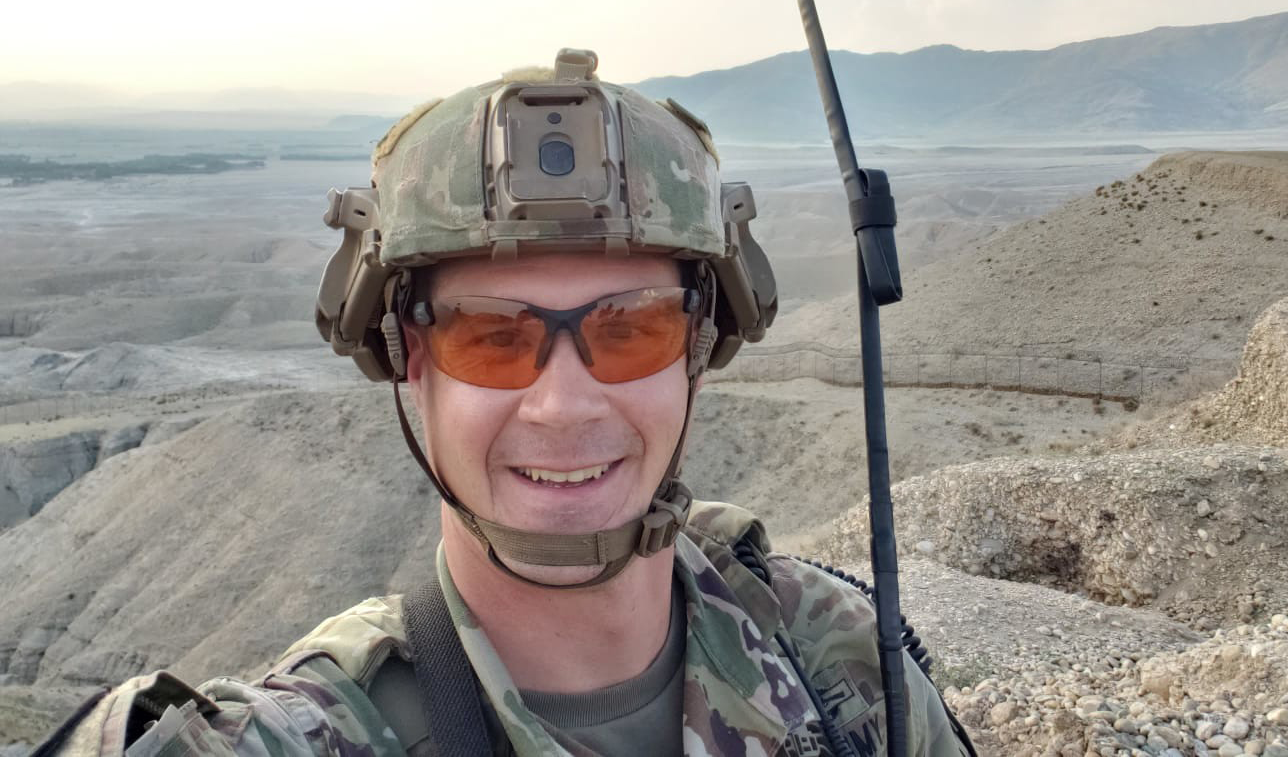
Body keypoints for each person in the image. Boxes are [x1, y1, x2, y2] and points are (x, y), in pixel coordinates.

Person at [39, 49, 972, 756]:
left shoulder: (836, 660)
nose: (563, 405)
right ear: (407, 355)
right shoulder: (315, 730)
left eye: (630, 329)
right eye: (491, 336)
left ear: (699, 345)